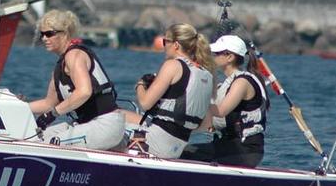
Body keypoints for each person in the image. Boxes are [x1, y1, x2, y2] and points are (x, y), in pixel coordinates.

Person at [28, 9, 126, 151]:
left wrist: (53, 114)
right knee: (33, 138)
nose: (44, 38)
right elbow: (48, 103)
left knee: (46, 145)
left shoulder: (74, 55)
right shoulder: (60, 66)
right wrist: (18, 106)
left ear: (65, 33)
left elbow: (84, 92)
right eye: (42, 34)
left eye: (49, 34)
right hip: (88, 125)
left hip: (105, 125)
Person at [126, 23, 213, 158]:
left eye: (165, 41)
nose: (164, 45)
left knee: (110, 120)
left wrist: (141, 84)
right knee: (120, 113)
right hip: (177, 145)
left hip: (155, 142)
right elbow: (206, 124)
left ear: (176, 45)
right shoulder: (206, 75)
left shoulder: (172, 65)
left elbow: (144, 103)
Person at [186, 34, 268, 168]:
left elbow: (221, 111)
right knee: (185, 149)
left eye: (217, 54)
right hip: (230, 145)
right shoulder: (228, 83)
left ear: (229, 57)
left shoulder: (242, 82)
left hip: (245, 151)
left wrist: (193, 102)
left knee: (185, 153)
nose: (212, 57)